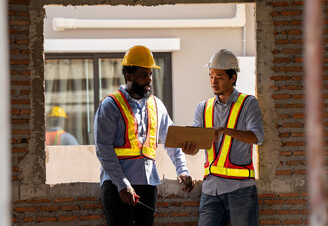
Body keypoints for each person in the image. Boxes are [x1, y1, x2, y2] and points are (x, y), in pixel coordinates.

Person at [94, 45, 195, 226]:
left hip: (148, 185)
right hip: (118, 187)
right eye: (144, 75)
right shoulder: (110, 105)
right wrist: (122, 184)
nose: (149, 79)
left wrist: (182, 170)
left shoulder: (157, 105)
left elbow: (172, 139)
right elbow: (103, 149)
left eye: (150, 74)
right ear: (129, 76)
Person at [183, 49, 264, 226]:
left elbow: (257, 137)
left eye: (219, 77)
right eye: (211, 76)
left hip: (240, 190)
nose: (213, 81)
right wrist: (190, 148)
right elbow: (198, 143)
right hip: (211, 190)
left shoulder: (248, 103)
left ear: (232, 78)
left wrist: (226, 130)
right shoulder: (203, 108)